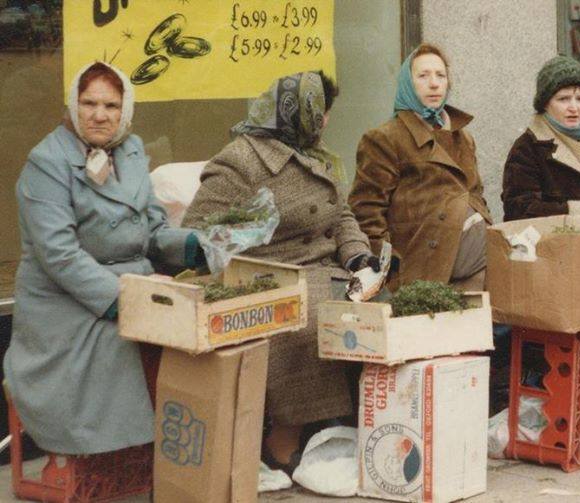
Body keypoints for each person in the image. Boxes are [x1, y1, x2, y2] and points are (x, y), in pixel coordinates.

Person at [4, 62, 204, 454]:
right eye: (88, 103)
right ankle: (124, 455)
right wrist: (125, 300)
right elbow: (59, 257)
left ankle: (178, 451)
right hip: (67, 302)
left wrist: (197, 247)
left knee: (194, 327)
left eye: (111, 105)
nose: (99, 115)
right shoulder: (46, 162)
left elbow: (152, 229)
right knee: (120, 340)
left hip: (129, 286)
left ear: (125, 109)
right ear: (72, 105)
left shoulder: (129, 150)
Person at [182, 71, 377, 473]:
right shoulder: (241, 159)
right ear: (292, 110)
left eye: (326, 114)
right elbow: (195, 234)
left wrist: (360, 257)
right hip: (271, 276)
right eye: (317, 112)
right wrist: (248, 230)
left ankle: (357, 423)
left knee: (382, 310)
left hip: (329, 269)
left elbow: (340, 214)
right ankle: (284, 438)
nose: (323, 122)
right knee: (311, 316)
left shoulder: (316, 153)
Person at [348, 43, 492, 292]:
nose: (434, 83)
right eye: (423, 76)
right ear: (407, 83)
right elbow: (367, 214)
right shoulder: (384, 138)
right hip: (422, 272)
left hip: (475, 266)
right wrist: (389, 269)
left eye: (440, 75)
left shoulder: (463, 138)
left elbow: (477, 194)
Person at [502, 55, 580, 225]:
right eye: (563, 99)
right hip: (550, 248)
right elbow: (519, 210)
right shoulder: (528, 148)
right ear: (545, 103)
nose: (574, 108)